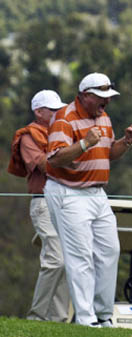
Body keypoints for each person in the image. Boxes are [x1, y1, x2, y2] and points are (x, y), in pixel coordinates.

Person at [44, 73, 132, 327]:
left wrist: (126, 142)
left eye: (108, 97)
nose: (106, 102)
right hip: (69, 192)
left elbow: (108, 153)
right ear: (85, 95)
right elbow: (54, 159)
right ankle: (86, 319)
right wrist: (85, 143)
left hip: (97, 193)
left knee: (110, 251)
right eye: (101, 97)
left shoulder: (103, 117)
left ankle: (103, 315)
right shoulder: (64, 117)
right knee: (81, 256)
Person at [8, 90, 71, 322]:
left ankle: (60, 320)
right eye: (53, 110)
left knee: (67, 262)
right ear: (38, 111)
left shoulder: (62, 134)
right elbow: (45, 165)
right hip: (43, 203)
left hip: (66, 202)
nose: (58, 113)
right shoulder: (28, 136)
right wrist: (73, 157)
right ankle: (37, 316)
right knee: (56, 260)